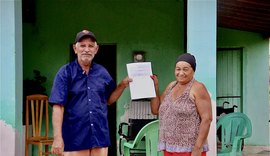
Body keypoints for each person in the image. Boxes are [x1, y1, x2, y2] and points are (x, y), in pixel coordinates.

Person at [49, 29, 132, 156]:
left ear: (96, 49)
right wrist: (57, 138)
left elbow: (109, 100)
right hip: (74, 137)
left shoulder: (102, 72)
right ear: (75, 49)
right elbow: (58, 106)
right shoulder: (65, 73)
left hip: (99, 136)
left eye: (90, 46)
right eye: (82, 46)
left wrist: (122, 85)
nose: (86, 49)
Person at [150, 53, 212, 156]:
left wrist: (197, 148)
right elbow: (155, 110)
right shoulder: (171, 86)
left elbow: (207, 119)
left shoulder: (198, 88)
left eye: (185, 69)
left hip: (189, 149)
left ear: (193, 70)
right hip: (169, 147)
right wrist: (154, 86)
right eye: (178, 69)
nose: (181, 73)